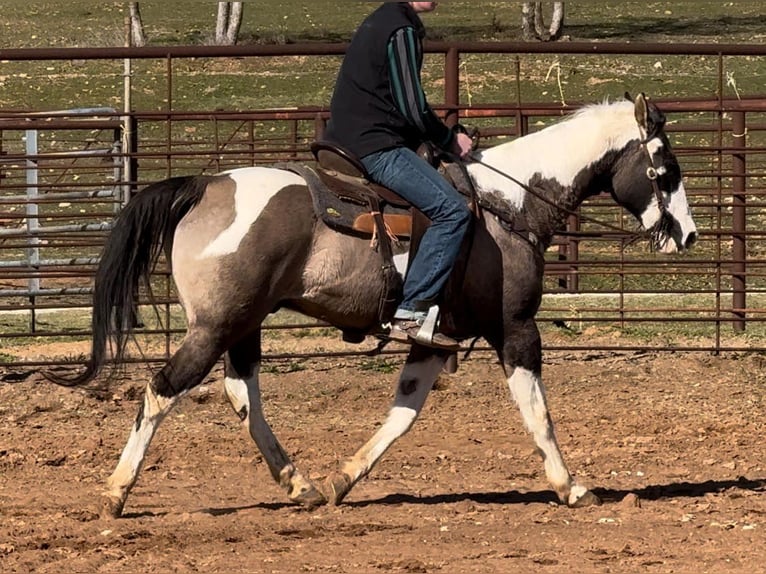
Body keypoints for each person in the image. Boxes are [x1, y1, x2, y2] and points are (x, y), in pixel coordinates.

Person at [324, 1, 473, 351]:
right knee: (452, 212)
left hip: (349, 137)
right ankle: (412, 311)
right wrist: (449, 139)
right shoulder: (400, 29)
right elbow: (411, 105)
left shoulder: (381, 19)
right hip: (375, 145)